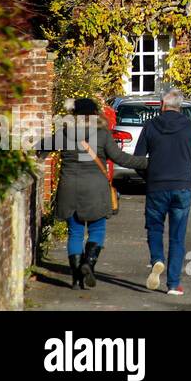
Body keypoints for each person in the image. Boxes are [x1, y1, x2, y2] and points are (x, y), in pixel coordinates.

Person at [39, 98, 148, 289]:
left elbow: (40, 148)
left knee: (75, 233)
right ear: (95, 114)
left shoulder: (64, 134)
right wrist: (147, 163)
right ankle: (88, 264)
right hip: (95, 190)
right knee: (97, 230)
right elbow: (121, 158)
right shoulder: (102, 134)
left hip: (69, 188)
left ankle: (76, 278)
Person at [134, 89, 191, 296]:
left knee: (155, 228)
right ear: (180, 106)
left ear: (161, 105)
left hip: (157, 186)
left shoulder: (150, 126)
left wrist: (149, 177)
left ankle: (157, 259)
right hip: (182, 187)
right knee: (177, 237)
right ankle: (174, 284)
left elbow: (139, 159)